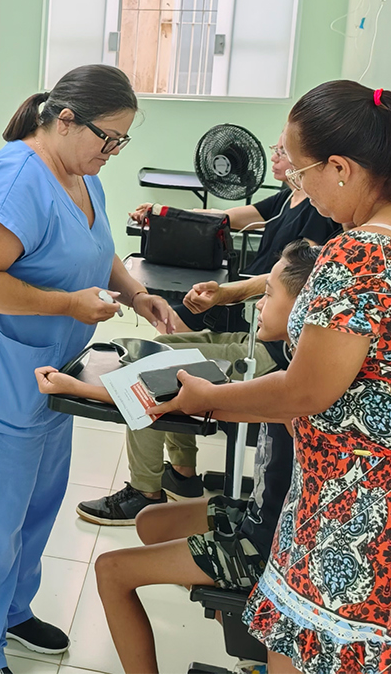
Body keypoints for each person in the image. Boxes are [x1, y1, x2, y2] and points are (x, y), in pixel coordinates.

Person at [157, 81, 391, 674]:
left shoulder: (362, 255)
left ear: (340, 167)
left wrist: (211, 400)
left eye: (300, 169)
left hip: (371, 505)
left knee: (314, 652)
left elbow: (304, 390)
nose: (294, 183)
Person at [0, 65, 176, 674]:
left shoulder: (83, 175)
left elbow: (96, 246)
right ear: (64, 120)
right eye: (107, 138)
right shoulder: (15, 180)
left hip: (54, 380)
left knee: (36, 508)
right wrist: (68, 304)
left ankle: (13, 613)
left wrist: (134, 293)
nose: (113, 152)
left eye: (122, 141)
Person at [35, 239, 321, 673]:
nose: (258, 304)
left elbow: (165, 403)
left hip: (262, 546)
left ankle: (232, 592)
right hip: (261, 518)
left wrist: (76, 387)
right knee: (151, 521)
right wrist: (76, 387)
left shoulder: (291, 389)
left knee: (111, 571)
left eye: (268, 295)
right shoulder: (295, 373)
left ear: (304, 310)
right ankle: (230, 608)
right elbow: (170, 400)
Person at [78, 132, 339, 524]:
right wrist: (165, 214)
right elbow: (230, 217)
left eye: (284, 150)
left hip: (270, 349)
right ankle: (182, 475)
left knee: (146, 374)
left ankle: (145, 492)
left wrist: (227, 293)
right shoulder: (289, 198)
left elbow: (288, 282)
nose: (276, 154)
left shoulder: (322, 212)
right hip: (256, 330)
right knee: (162, 344)